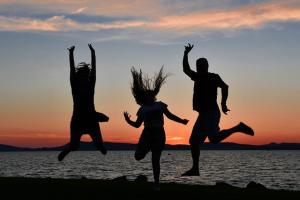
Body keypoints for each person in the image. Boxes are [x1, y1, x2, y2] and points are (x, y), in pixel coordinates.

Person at [181, 43, 254, 176]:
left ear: (206, 66)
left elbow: (225, 86)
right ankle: (195, 169)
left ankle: (238, 128)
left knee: (213, 138)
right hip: (203, 114)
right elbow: (186, 69)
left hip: (211, 113)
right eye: (198, 66)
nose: (199, 68)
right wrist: (186, 54)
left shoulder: (211, 77)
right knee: (193, 141)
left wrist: (223, 103)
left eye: (201, 66)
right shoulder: (200, 76)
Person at [124, 67, 188, 190]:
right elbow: (137, 125)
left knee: (155, 160)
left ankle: (156, 184)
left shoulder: (160, 105)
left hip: (159, 133)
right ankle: (147, 148)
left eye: (150, 94)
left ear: (153, 96)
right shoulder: (142, 109)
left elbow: (170, 116)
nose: (149, 96)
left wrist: (182, 121)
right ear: (144, 97)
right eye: (147, 95)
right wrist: (128, 121)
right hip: (147, 133)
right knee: (138, 156)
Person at [58, 44, 108, 161]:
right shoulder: (74, 86)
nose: (84, 77)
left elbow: (94, 69)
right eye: (82, 75)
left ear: (88, 76)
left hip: (91, 117)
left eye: (86, 75)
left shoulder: (91, 85)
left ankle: (100, 146)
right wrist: (71, 53)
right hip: (78, 119)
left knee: (99, 144)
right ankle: (67, 150)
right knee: (74, 145)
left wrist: (93, 53)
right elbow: (71, 69)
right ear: (78, 75)